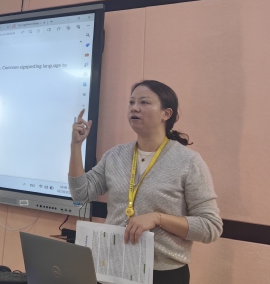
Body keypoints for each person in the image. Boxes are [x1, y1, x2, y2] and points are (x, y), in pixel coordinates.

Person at [68, 80, 222, 284]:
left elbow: (210, 227)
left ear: (166, 114)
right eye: (131, 102)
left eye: (144, 102)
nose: (134, 108)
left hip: (163, 274)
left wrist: (158, 218)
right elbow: (81, 193)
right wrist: (76, 146)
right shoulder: (115, 156)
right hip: (114, 267)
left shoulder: (188, 162)